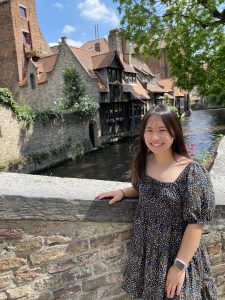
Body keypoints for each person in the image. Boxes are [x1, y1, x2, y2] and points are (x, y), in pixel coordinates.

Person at [96, 104, 217, 300]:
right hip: (149, 254)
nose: (154, 138)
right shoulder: (144, 162)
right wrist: (122, 192)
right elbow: (146, 189)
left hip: (177, 256)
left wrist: (179, 266)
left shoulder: (192, 172)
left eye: (162, 130)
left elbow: (196, 224)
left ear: (174, 132)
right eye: (149, 131)